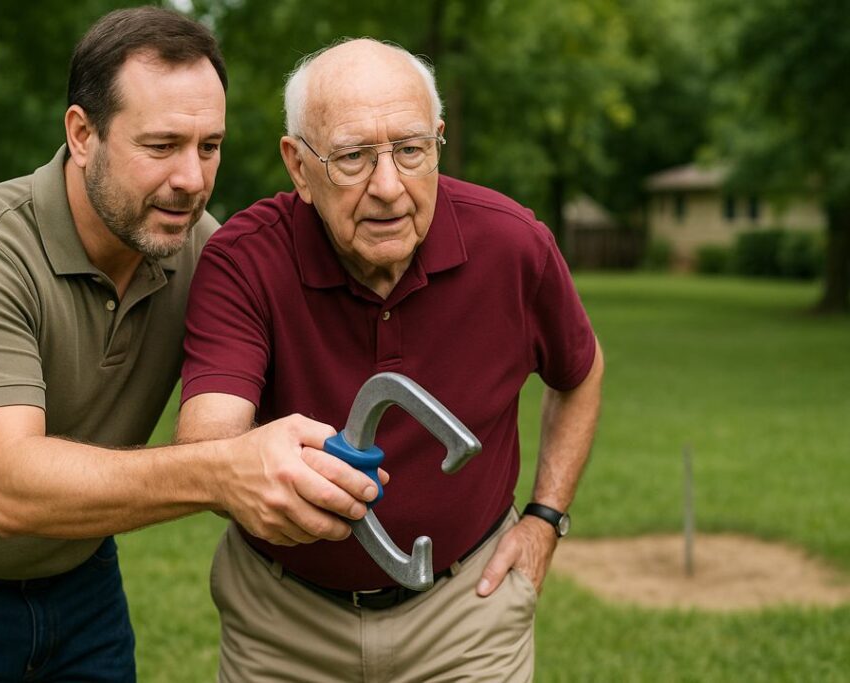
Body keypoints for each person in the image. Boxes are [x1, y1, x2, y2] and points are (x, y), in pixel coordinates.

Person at [0, 9, 379, 682]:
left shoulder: (208, 255)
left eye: (208, 147)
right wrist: (221, 470)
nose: (191, 178)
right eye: (161, 146)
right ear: (82, 134)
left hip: (81, 577)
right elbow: (12, 489)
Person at [177, 38, 604, 682]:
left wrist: (545, 517)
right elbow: (209, 438)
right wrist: (256, 469)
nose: (388, 187)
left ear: (437, 141)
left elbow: (581, 371)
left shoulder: (513, 244)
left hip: (468, 611)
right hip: (283, 622)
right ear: (298, 166)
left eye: (410, 150)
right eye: (351, 156)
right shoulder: (245, 260)